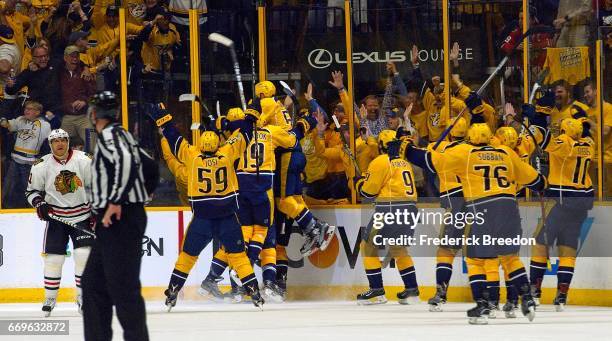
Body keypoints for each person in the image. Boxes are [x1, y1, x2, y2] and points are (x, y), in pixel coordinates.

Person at [399, 92, 546, 324]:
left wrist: (404, 147)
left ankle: (481, 305)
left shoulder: (463, 153)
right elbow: (536, 181)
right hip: (509, 208)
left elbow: (427, 161)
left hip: (479, 208)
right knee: (509, 258)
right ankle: (526, 297)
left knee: (475, 259)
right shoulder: (505, 152)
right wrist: (542, 182)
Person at [147, 103, 265, 310]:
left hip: (202, 219)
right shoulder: (227, 153)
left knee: (187, 256)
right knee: (238, 256)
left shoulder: (192, 156)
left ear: (201, 145)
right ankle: (253, 290)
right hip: (227, 217)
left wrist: (164, 119)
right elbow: (245, 134)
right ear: (217, 144)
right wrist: (251, 115)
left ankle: (173, 288)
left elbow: (174, 139)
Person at [82, 91, 150, 341]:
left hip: (119, 219)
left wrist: (116, 201)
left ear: (94, 114)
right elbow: (149, 166)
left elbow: (127, 162)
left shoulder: (112, 135)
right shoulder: (120, 135)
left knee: (123, 289)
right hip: (116, 220)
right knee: (93, 285)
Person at [526, 99, 595, 311]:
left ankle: (535, 291)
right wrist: (581, 117)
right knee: (567, 251)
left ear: (564, 131)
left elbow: (542, 138)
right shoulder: (589, 145)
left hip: (561, 202)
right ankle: (562, 296)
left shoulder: (565, 144)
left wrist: (536, 117)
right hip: (581, 205)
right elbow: (585, 130)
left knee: (540, 244)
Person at [25, 128, 93, 316]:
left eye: (63, 140)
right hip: (57, 219)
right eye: (56, 141)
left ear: (68, 142)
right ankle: (50, 297)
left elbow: (96, 187)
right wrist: (40, 203)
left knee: (83, 256)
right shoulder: (41, 165)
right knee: (54, 260)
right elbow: (31, 192)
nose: (60, 144)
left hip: (82, 217)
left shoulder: (84, 160)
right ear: (50, 144)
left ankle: (83, 297)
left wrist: (96, 210)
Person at [355, 130, 420, 305]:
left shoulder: (381, 161)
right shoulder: (404, 163)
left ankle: (376, 290)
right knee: (399, 249)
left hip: (389, 209)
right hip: (410, 209)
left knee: (367, 246)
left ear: (382, 145)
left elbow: (367, 192)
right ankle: (411, 289)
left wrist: (359, 181)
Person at [425, 117, 468, 312]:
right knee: (485, 255)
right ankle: (496, 297)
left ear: (449, 133)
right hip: (481, 204)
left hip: (456, 206)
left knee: (445, 251)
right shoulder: (475, 150)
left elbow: (425, 159)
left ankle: (441, 292)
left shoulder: (441, 151)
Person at [0, 100, 55, 208]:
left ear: (37, 112)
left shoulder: (44, 125)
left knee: (29, 189)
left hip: (30, 163)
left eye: (30, 109)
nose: (26, 110)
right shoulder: (20, 120)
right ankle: (5, 208)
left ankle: (32, 210)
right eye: (26, 108)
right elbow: (9, 124)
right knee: (9, 186)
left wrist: (52, 117)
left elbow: (54, 129)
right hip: (15, 160)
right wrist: (3, 120)